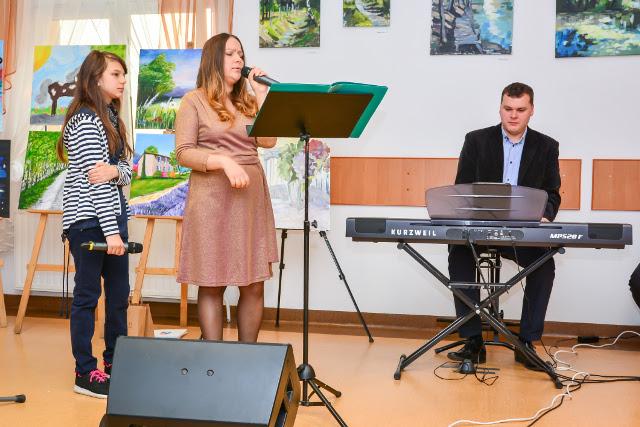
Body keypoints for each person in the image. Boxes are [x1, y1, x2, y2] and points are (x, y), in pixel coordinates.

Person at [446, 82, 561, 370]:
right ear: (500, 108)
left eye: (520, 109)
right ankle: (473, 341)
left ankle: (527, 343)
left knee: (544, 265)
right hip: (480, 229)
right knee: (458, 253)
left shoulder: (547, 146)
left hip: (522, 232)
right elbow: (462, 188)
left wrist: (545, 215)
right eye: (508, 108)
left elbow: (552, 193)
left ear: (531, 110)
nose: (513, 115)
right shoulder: (476, 140)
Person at [175, 33, 278, 342]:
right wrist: (223, 162)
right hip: (211, 200)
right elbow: (183, 153)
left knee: (254, 283)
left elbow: (268, 140)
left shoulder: (248, 101)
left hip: (249, 200)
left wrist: (261, 95)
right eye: (230, 53)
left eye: (241, 54)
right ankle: (214, 357)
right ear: (213, 60)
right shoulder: (194, 101)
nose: (238, 59)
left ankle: (246, 356)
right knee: (212, 282)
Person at [57, 50, 132, 398]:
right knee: (87, 297)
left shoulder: (111, 117)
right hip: (89, 222)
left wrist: (116, 170)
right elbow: (96, 182)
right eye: (116, 74)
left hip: (113, 218)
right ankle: (84, 372)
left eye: (123, 74)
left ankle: (117, 363)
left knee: (118, 297)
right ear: (96, 78)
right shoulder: (86, 121)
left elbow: (126, 171)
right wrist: (112, 233)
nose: (122, 80)